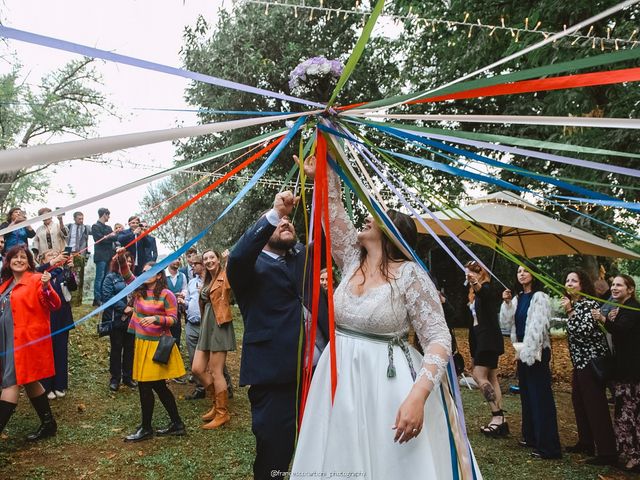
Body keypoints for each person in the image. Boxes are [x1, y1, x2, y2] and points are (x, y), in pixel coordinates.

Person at [290, 156, 465, 480]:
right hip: (339, 375)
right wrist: (321, 175)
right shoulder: (352, 259)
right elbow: (334, 210)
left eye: (375, 218)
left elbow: (439, 340)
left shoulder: (411, 276)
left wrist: (417, 395)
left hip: (386, 384)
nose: (366, 221)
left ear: (392, 233)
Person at [227, 190, 329, 480]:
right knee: (275, 455)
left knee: (322, 446)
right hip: (274, 378)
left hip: (321, 371)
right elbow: (237, 256)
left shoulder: (302, 258)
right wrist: (274, 214)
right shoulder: (247, 267)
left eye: (289, 221)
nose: (285, 223)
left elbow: (327, 231)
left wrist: (321, 178)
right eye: (278, 223)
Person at [118, 256, 186, 442]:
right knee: (157, 385)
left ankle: (147, 428)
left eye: (152, 272)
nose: (147, 275)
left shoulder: (166, 294)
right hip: (142, 343)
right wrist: (121, 257)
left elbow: (173, 319)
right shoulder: (138, 292)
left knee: (146, 385)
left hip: (157, 345)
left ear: (158, 276)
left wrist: (157, 319)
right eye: (145, 272)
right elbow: (126, 274)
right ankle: (177, 424)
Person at [500, 266, 562, 459]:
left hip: (536, 352)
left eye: (526, 271)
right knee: (527, 396)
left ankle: (548, 446)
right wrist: (508, 304)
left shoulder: (540, 297)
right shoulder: (518, 297)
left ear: (533, 275)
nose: (521, 274)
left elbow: (538, 326)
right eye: (518, 271)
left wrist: (528, 351)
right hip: (522, 351)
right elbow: (505, 324)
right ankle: (531, 436)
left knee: (540, 397)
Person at [0, 245, 61, 440]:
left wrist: (46, 287)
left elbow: (54, 304)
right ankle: (48, 423)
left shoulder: (36, 279)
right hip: (6, 338)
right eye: (15, 257)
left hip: (25, 341)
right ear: (8, 262)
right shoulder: (5, 284)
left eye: (23, 257)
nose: (19, 260)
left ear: (29, 262)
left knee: (10, 382)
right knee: (28, 380)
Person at [560, 270, 617, 465]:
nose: (569, 283)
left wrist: (569, 311)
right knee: (579, 401)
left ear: (582, 285)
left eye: (574, 280)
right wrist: (570, 309)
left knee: (595, 405)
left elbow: (583, 332)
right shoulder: (576, 305)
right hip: (579, 363)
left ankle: (607, 451)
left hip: (592, 363)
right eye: (567, 280)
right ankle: (586, 442)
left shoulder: (589, 304)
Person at [593, 274, 640, 473]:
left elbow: (622, 330)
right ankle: (631, 452)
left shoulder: (634, 308)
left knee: (630, 413)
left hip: (632, 371)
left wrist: (604, 319)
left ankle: (635, 456)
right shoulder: (620, 308)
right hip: (621, 369)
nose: (614, 288)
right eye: (613, 284)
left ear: (630, 289)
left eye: (619, 285)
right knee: (624, 411)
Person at [192, 249, 236, 429]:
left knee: (216, 371)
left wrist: (230, 259)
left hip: (219, 325)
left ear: (218, 259)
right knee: (197, 369)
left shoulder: (225, 276)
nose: (209, 261)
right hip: (206, 327)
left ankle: (222, 413)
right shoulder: (207, 280)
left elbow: (234, 276)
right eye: (206, 259)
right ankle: (215, 404)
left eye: (212, 257)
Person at [465, 260, 506, 436]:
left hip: (488, 340)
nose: (467, 276)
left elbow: (485, 295)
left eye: (472, 272)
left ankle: (497, 416)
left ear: (480, 273)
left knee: (478, 376)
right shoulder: (473, 293)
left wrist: (475, 282)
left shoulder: (488, 288)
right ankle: (500, 421)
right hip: (480, 340)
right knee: (491, 377)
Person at [37, 249, 77, 399]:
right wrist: (52, 263)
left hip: (62, 318)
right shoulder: (40, 274)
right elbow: (35, 272)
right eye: (50, 255)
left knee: (61, 351)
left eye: (56, 255)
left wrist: (70, 269)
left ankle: (60, 385)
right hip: (45, 318)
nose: (55, 257)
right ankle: (46, 387)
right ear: (43, 260)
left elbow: (73, 287)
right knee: (46, 352)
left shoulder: (62, 273)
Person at [101, 251, 136, 392]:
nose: (128, 263)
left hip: (132, 320)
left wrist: (133, 308)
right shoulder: (110, 278)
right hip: (116, 320)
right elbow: (107, 297)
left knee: (129, 349)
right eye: (125, 260)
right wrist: (124, 308)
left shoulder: (134, 279)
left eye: (130, 261)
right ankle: (115, 378)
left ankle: (128, 377)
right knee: (116, 349)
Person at [184, 254, 205, 400]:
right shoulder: (191, 282)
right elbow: (187, 301)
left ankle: (226, 388)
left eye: (195, 264)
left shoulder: (212, 280)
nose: (192, 266)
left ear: (202, 264)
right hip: (191, 324)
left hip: (206, 325)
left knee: (214, 358)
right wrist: (183, 303)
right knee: (194, 359)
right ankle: (200, 388)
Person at [91, 208, 118, 306]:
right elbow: (98, 239)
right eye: (108, 215)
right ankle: (97, 298)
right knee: (99, 278)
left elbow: (115, 237)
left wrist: (106, 237)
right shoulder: (95, 226)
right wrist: (107, 237)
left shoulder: (109, 227)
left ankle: (104, 298)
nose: (109, 217)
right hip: (100, 256)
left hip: (109, 256)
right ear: (104, 215)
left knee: (107, 277)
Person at [66, 211, 91, 307]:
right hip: (69, 253)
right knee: (68, 276)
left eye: (82, 218)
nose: (81, 220)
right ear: (74, 218)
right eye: (79, 218)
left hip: (80, 254)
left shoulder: (86, 228)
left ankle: (78, 301)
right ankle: (68, 299)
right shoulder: (69, 226)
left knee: (79, 277)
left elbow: (96, 231)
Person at [165, 259, 188, 349]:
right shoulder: (162, 274)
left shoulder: (182, 276)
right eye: (174, 258)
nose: (177, 261)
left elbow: (185, 288)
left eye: (179, 259)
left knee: (176, 334)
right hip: (164, 311)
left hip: (177, 310)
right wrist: (173, 296)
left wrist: (183, 294)